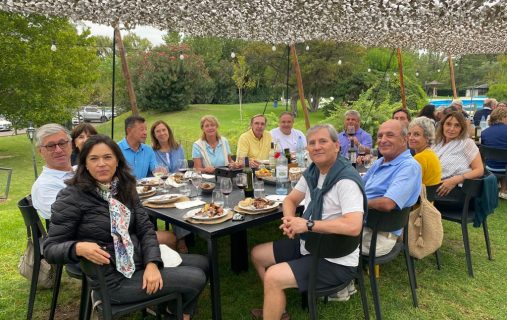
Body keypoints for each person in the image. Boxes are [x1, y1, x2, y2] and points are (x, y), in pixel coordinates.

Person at [43, 135, 208, 320]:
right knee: (196, 277)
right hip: (112, 280)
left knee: (203, 263)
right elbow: (50, 249)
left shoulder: (124, 188)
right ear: (85, 164)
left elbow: (145, 229)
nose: (101, 164)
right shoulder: (72, 197)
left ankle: (172, 309)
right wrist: (77, 247)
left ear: (117, 161)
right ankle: (178, 314)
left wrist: (152, 264)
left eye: (107, 157)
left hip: (137, 259)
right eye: (94, 158)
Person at [250, 124, 366, 319]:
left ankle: (273, 309)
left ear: (337, 146)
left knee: (273, 276)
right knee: (257, 255)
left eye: (323, 141)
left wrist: (308, 225)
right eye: (312, 143)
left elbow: (354, 226)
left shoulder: (346, 180)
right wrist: (289, 220)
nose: (316, 146)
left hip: (336, 259)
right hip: (311, 243)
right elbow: (290, 200)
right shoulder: (314, 171)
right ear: (307, 149)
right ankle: (278, 308)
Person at [362, 120, 422, 256]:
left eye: (390, 135)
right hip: (360, 224)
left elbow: (388, 203)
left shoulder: (409, 167)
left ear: (404, 140)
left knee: (319, 237)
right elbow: (359, 186)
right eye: (380, 136)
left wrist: (355, 204)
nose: (382, 140)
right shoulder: (380, 161)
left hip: (377, 236)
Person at [151, 120, 191, 253]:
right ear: (154, 135)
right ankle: (181, 239)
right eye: (158, 131)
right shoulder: (152, 151)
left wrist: (178, 176)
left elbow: (183, 167)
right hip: (162, 188)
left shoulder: (178, 147)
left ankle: (193, 230)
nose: (162, 133)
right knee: (174, 204)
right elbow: (154, 171)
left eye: (164, 130)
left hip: (179, 183)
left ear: (168, 131)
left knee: (190, 197)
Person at [432, 111, 484, 197]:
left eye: (457, 125)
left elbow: (479, 170)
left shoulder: (467, 143)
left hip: (453, 191)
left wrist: (456, 180)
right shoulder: (436, 143)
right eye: (448, 124)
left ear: (461, 128)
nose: (451, 129)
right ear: (442, 126)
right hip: (432, 186)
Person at [31, 124, 74, 220]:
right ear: (40, 152)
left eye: (62, 143)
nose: (58, 150)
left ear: (71, 145)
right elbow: (69, 218)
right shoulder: (44, 187)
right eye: (50, 146)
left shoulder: (81, 170)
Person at [481, 107, 507, 199]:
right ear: (504, 117)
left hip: (490, 167)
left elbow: (482, 153)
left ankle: (496, 188)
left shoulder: (484, 132)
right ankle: (503, 190)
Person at [408, 117, 442, 187]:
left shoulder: (420, 158)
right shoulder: (430, 154)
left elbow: (407, 186)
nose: (411, 138)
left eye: (416, 134)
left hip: (421, 197)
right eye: (409, 134)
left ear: (427, 137)